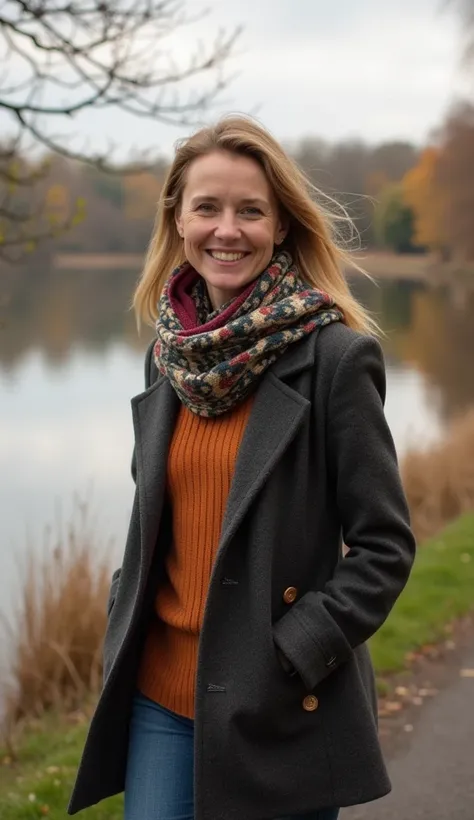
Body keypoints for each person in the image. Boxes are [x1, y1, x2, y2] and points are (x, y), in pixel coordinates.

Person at [68, 115, 416, 820]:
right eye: (208, 207)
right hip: (159, 694)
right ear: (178, 219)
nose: (227, 229)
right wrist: (120, 614)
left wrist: (295, 648)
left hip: (276, 702)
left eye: (250, 210)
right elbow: (158, 523)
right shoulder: (167, 357)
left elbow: (385, 546)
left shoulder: (336, 362)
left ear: (281, 225)